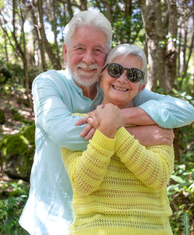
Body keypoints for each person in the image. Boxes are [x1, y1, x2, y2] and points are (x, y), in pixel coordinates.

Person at [19, 10, 194, 235]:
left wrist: (120, 118)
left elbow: (185, 111)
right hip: (52, 218)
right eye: (80, 48)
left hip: (103, 221)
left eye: (98, 51)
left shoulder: (120, 86)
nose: (89, 59)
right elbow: (66, 134)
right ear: (65, 51)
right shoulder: (49, 83)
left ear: (107, 58)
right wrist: (145, 134)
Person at [62, 44, 174, 234]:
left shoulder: (159, 122)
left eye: (133, 75)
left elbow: (158, 177)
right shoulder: (78, 121)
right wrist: (108, 127)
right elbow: (83, 183)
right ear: (101, 77)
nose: (122, 79)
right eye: (115, 70)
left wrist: (112, 126)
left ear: (141, 87)